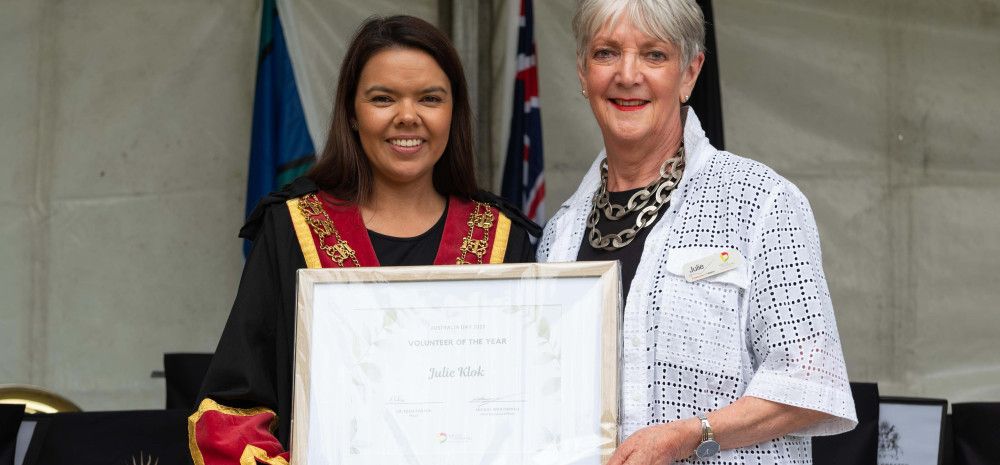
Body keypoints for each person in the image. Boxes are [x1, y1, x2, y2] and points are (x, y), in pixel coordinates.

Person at [188, 15, 538, 465]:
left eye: (430, 98)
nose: (407, 117)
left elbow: (536, 408)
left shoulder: (504, 241)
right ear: (352, 113)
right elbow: (232, 409)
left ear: (454, 111)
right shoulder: (293, 230)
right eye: (383, 98)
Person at [537, 1, 857, 464]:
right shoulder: (559, 235)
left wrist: (691, 434)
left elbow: (811, 381)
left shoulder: (759, 201)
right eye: (607, 53)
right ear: (583, 73)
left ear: (689, 73)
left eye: (654, 55)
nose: (627, 75)